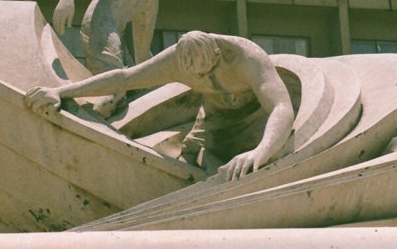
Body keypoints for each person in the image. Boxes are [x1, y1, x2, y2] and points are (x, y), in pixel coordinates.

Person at [25, 30, 294, 181]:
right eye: (196, 76)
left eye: (208, 71)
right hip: (214, 121)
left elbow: (281, 107)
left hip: (256, 123)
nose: (203, 78)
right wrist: (61, 91)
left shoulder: (247, 58)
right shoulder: (176, 61)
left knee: (255, 168)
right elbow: (124, 78)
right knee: (195, 165)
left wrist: (260, 152)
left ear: (217, 54)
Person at [52, 0, 187, 117]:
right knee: (114, 93)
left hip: (117, 36)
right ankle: (69, 121)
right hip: (101, 26)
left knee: (140, 94)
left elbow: (142, 50)